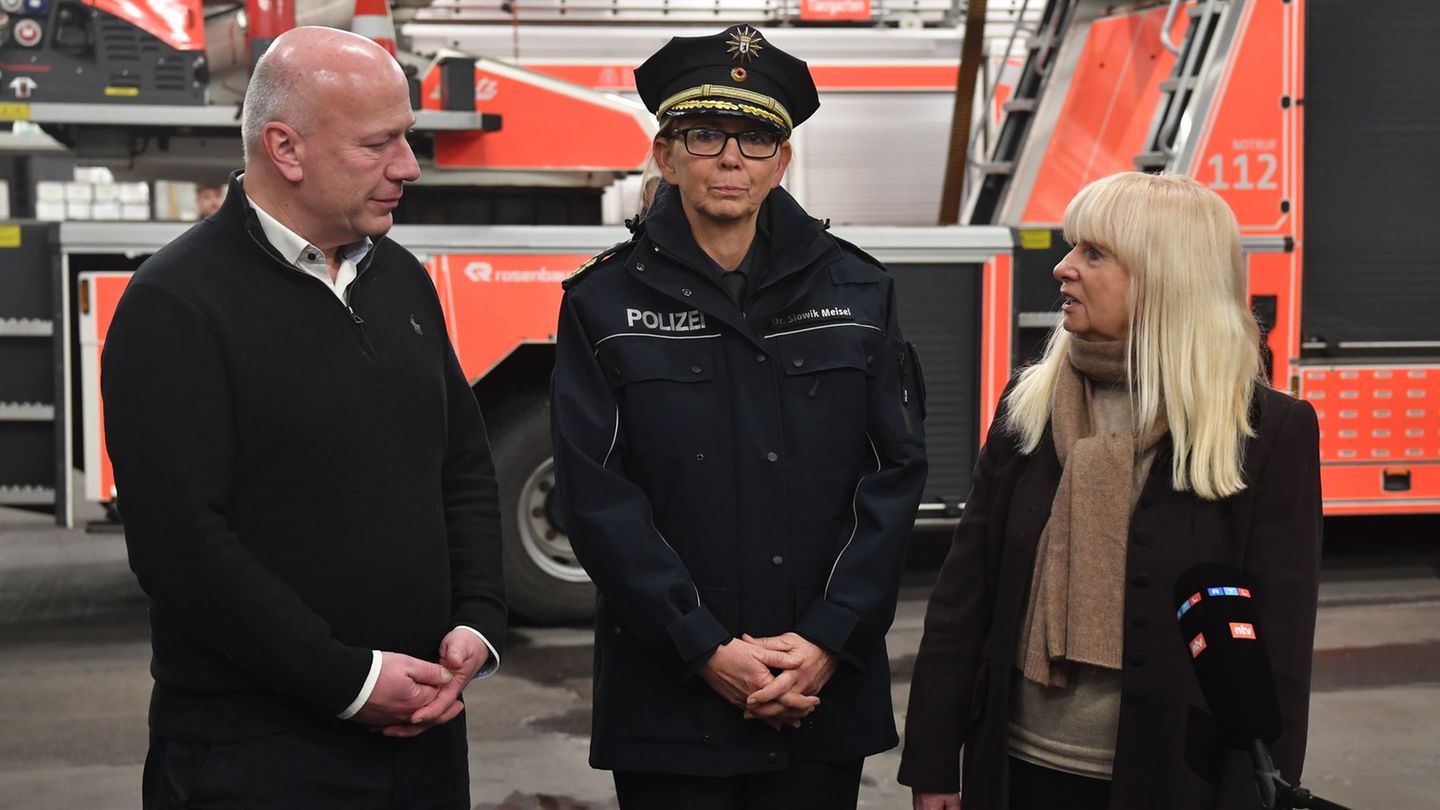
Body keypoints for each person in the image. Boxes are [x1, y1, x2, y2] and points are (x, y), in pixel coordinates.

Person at [101, 26, 505, 809]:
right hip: (256, 760)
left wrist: (476, 622)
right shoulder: (175, 305)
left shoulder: (402, 283)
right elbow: (182, 546)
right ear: (286, 149)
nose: (408, 168)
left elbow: (461, 463)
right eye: (378, 144)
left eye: (408, 139)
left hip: (423, 744)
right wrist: (350, 681)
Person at [550, 23, 929, 810]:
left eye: (756, 139)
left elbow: (893, 480)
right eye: (706, 134)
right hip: (671, 696)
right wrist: (703, 647)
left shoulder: (860, 293)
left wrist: (829, 637)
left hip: (815, 694)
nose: (731, 158)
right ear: (667, 153)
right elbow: (596, 498)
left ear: (783, 161)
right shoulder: (603, 302)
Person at [898, 172, 1321, 810]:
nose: (1063, 269)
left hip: (1173, 783)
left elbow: (1279, 658)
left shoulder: (1269, 432)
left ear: (1165, 276)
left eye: (1093, 254)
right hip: (1014, 772)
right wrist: (933, 763)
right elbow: (963, 603)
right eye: (1072, 249)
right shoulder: (1029, 408)